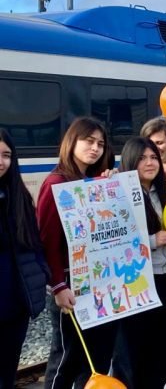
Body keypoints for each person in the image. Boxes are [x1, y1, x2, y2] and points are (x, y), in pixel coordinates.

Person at [37, 117, 116, 388]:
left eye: (100, 144)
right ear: (72, 141)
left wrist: (109, 187)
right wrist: (58, 285)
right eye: (88, 141)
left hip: (98, 282)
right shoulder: (55, 182)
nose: (94, 148)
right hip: (69, 283)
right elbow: (46, 240)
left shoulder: (92, 181)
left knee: (93, 356)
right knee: (66, 357)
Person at [113, 137, 166, 388]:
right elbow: (115, 240)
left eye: (153, 157)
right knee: (132, 350)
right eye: (142, 158)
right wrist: (154, 240)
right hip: (136, 282)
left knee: (160, 347)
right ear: (130, 161)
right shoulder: (119, 194)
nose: (150, 163)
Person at [0, 129, 48, 388]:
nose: (1, 161)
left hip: (14, 306)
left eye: (6, 155)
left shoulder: (18, 198)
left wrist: (42, 274)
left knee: (6, 372)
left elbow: (34, 245)